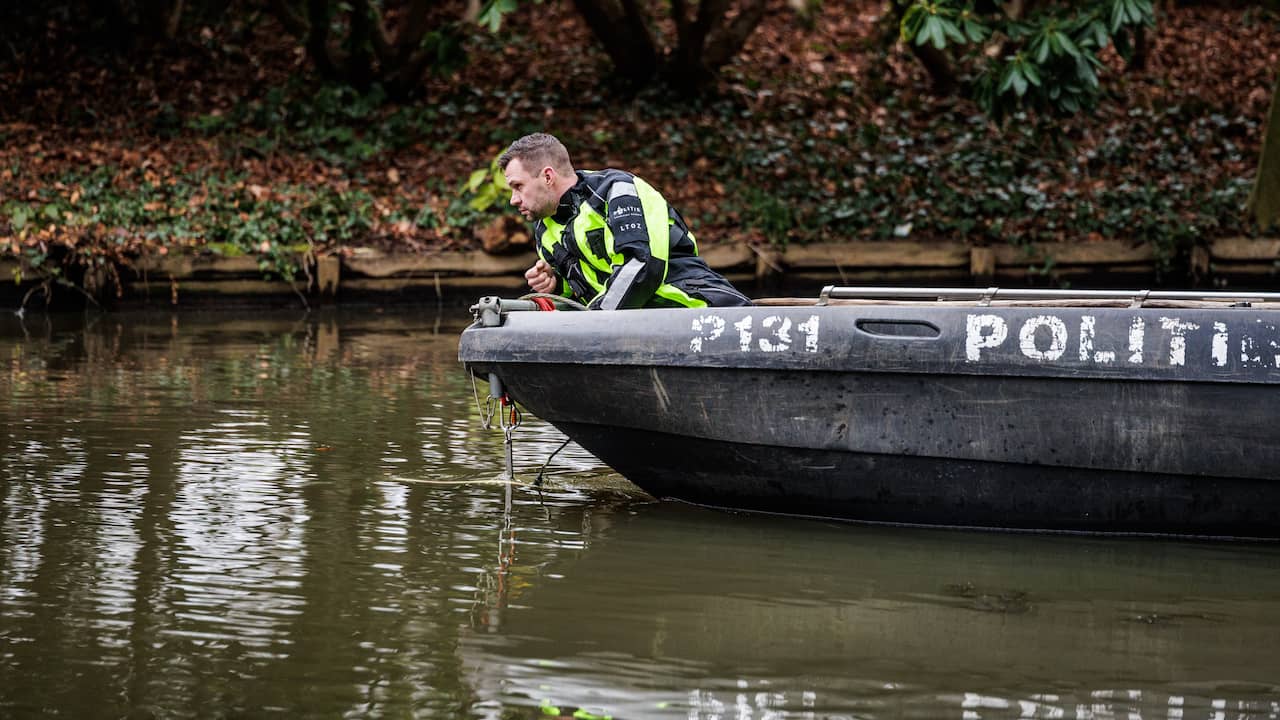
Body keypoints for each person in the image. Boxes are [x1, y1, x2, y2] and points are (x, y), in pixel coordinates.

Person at [499, 133, 752, 310]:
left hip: (701, 310)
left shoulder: (618, 190)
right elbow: (586, 293)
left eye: (518, 186)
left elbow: (642, 268)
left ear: (547, 176)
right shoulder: (545, 230)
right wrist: (556, 286)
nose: (513, 199)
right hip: (637, 330)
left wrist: (591, 327)